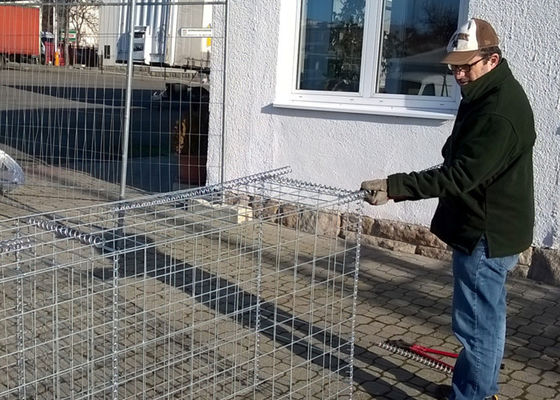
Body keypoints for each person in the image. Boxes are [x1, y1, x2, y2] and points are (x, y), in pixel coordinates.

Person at [360, 18, 535, 400]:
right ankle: (477, 389)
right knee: (486, 321)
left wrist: (395, 187)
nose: (458, 75)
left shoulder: (497, 111)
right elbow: (463, 162)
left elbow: (459, 176)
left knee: (476, 326)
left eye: (465, 67)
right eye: (453, 67)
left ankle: (471, 395)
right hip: (491, 227)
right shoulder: (486, 93)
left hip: (485, 234)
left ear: (491, 59)